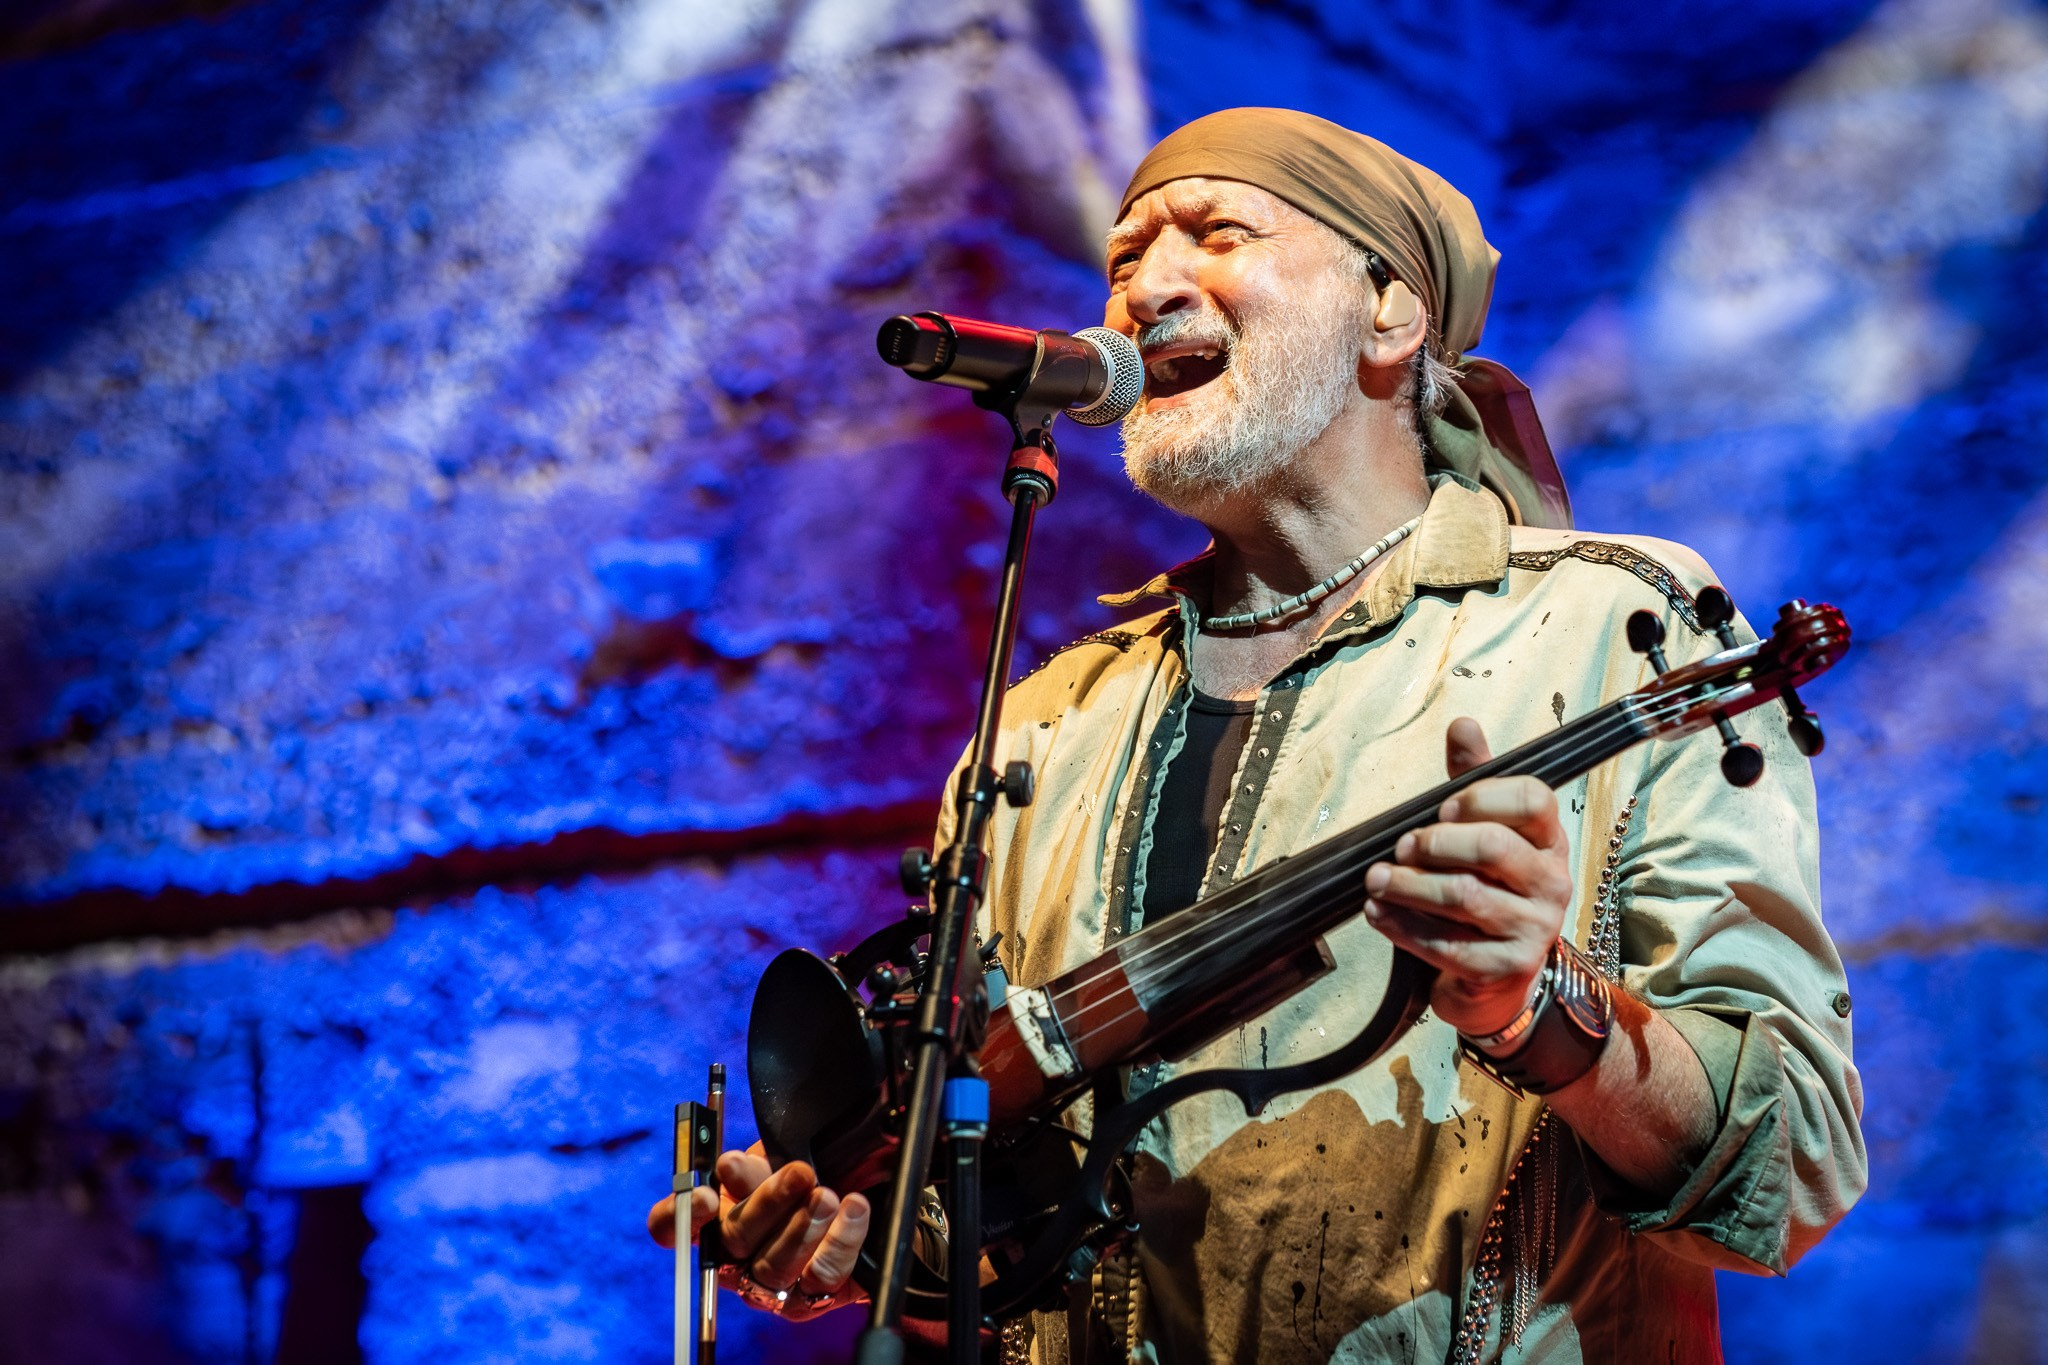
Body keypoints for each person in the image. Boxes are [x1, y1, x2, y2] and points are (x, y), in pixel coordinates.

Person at [649, 108, 1867, 1363]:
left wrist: (1529, 1001)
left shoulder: (1616, 625)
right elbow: (1017, 1237)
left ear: (1388, 308)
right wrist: (852, 1242)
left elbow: (1787, 1169)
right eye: (1122, 261)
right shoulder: (1044, 731)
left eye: (1216, 234)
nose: (1146, 290)